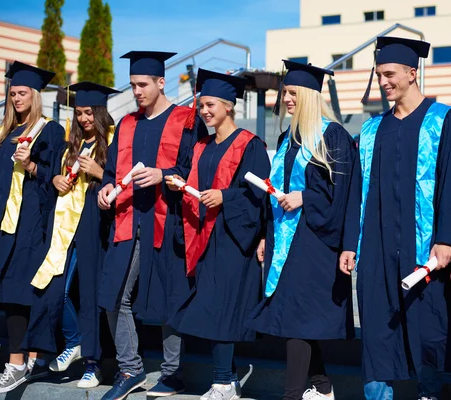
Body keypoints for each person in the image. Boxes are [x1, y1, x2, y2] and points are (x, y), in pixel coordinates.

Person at [339, 37, 451, 400]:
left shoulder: (443, 119)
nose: (384, 81)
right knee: (376, 326)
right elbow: (357, 191)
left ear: (412, 72)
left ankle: (428, 392)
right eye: (379, 75)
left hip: (423, 244)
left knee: (427, 326)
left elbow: (450, 183)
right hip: (376, 245)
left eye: (390, 74)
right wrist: (349, 243)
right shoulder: (373, 128)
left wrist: (445, 237)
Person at [96, 51, 206, 400]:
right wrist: (106, 187)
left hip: (170, 220)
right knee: (113, 294)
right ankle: (130, 368)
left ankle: (173, 374)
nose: (137, 92)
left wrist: (164, 174)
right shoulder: (127, 123)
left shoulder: (188, 121)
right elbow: (113, 170)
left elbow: (197, 168)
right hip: (129, 220)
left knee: (170, 298)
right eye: (132, 86)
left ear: (161, 82)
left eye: (143, 85)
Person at [246, 60, 357, 400]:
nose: (286, 99)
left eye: (293, 93)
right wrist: (267, 233)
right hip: (286, 240)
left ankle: (292, 394)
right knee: (297, 319)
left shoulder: (332, 136)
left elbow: (344, 194)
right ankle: (322, 387)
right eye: (285, 93)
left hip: (316, 242)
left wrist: (305, 196)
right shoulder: (286, 138)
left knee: (296, 320)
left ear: (309, 96)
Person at [166, 69, 270, 400]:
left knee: (221, 310)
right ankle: (229, 378)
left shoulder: (250, 145)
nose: (205, 111)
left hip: (234, 238)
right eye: (202, 106)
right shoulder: (201, 146)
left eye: (210, 105)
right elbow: (189, 179)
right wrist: (177, 182)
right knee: (213, 309)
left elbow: (259, 192)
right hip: (204, 238)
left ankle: (223, 383)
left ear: (228, 105)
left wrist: (225, 196)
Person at [23, 82, 119, 389]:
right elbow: (48, 174)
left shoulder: (114, 143)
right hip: (64, 227)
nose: (83, 119)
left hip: (95, 225)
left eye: (89, 113)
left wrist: (100, 173)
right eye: (79, 113)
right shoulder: (69, 145)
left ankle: (94, 364)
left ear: (101, 113)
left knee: (90, 295)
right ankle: (75, 341)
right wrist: (54, 178)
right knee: (55, 289)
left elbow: (121, 182)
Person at [0, 61, 65, 392]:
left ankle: (17, 363)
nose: (16, 99)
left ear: (35, 96)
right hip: (5, 225)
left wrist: (30, 164)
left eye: (22, 93)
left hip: (34, 224)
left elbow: (54, 180)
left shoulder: (50, 130)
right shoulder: (5, 133)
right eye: (12, 94)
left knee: (19, 292)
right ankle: (27, 360)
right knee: (10, 293)